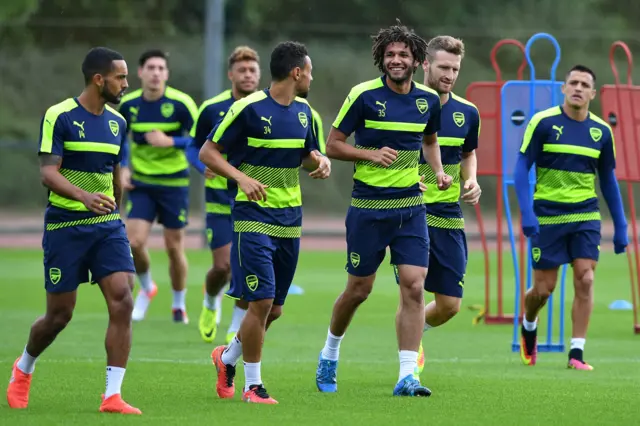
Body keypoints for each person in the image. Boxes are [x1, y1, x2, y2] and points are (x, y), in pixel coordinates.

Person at [315, 21, 451, 397]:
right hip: (368, 209)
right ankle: (330, 352)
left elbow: (430, 139)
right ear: (381, 58)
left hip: (410, 208)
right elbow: (333, 145)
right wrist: (369, 154)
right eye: (390, 54)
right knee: (359, 290)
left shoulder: (427, 100)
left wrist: (438, 171)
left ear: (415, 60)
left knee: (413, 286)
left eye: (402, 55)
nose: (395, 60)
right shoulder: (362, 95)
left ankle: (408, 375)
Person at [6, 47, 141, 415]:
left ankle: (112, 395)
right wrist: (83, 197)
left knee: (123, 298)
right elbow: (48, 172)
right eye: (121, 77)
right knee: (59, 315)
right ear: (99, 79)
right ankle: (24, 368)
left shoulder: (118, 123)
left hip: (106, 226)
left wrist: (119, 214)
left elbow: (114, 173)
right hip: (65, 226)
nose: (127, 84)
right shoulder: (60, 115)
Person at [200, 41, 330, 404]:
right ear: (296, 72)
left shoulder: (306, 112)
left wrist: (319, 162)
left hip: (290, 219)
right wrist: (240, 178)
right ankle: (253, 386)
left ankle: (226, 358)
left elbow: (306, 156)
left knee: (274, 308)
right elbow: (208, 152)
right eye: (310, 69)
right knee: (261, 300)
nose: (312, 76)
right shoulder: (247, 108)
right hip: (252, 216)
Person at [514, 64, 628, 370]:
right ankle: (528, 322)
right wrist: (526, 214)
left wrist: (621, 226)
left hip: (585, 214)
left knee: (586, 278)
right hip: (547, 216)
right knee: (543, 290)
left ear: (592, 93)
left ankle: (576, 353)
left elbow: (608, 181)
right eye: (573, 82)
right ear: (564, 89)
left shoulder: (601, 132)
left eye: (584, 84)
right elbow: (521, 167)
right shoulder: (543, 122)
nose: (578, 88)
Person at [407, 35, 482, 377]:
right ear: (425, 65)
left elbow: (468, 154)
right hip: (410, 211)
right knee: (414, 289)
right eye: (443, 67)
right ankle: (409, 361)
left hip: (449, 214)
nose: (450, 74)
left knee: (451, 305)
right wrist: (405, 178)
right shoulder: (404, 104)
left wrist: (471, 180)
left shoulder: (468, 112)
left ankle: (413, 330)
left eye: (455, 68)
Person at [118, 49, 199, 324]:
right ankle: (147, 286)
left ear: (167, 73)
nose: (156, 73)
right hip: (142, 184)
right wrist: (125, 166)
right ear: (140, 72)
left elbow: (203, 142)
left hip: (174, 184)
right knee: (134, 242)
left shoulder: (182, 104)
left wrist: (171, 142)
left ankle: (178, 304)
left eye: (161, 68)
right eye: (150, 67)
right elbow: (119, 140)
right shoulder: (128, 105)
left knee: (174, 248)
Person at [187, 46, 261, 344]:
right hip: (219, 200)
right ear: (231, 74)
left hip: (252, 200)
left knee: (245, 267)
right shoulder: (211, 108)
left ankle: (234, 326)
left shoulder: (265, 107)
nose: (247, 75)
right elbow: (194, 147)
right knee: (223, 267)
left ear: (259, 75)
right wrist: (200, 166)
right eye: (241, 70)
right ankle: (210, 301)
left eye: (252, 70)